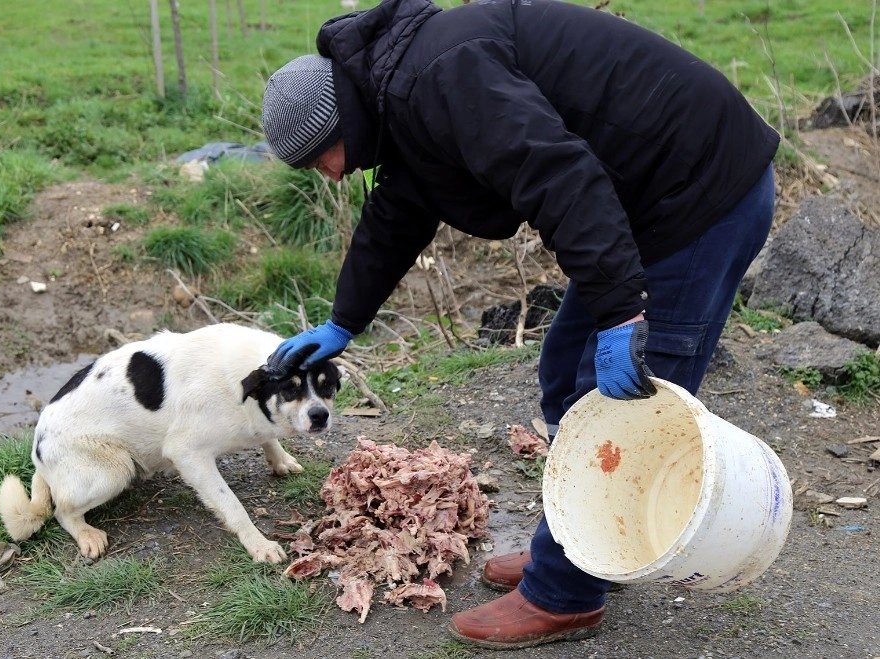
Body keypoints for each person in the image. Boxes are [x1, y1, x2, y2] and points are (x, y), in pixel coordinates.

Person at [259, 0, 778, 649]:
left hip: (699, 189)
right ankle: (583, 540)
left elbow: (560, 179)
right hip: (639, 200)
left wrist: (621, 312)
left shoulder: (445, 75)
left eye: (319, 158)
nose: (328, 175)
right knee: (566, 372)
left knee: (630, 411)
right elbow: (400, 211)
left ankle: (566, 594)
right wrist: (342, 322)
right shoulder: (402, 98)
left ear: (341, 121)